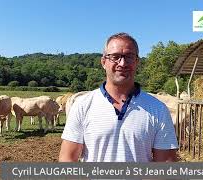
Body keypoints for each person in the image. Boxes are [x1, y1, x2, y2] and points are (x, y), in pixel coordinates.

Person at [59, 32, 178, 162]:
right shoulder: (82, 105)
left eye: (129, 56)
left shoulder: (158, 109)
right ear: (103, 62)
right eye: (115, 57)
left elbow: (166, 164)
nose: (122, 63)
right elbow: (68, 158)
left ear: (137, 62)